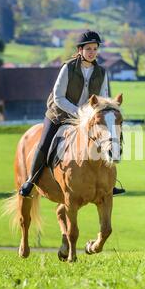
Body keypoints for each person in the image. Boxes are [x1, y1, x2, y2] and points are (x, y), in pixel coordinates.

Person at [19, 30, 126, 197]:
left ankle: (108, 184)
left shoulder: (102, 72)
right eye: (88, 49)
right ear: (80, 50)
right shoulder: (68, 68)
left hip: (88, 119)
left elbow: (103, 99)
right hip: (60, 114)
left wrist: (96, 114)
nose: (92, 52)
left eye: (95, 49)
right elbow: (58, 96)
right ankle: (31, 180)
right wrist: (80, 112)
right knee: (44, 143)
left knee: (106, 140)